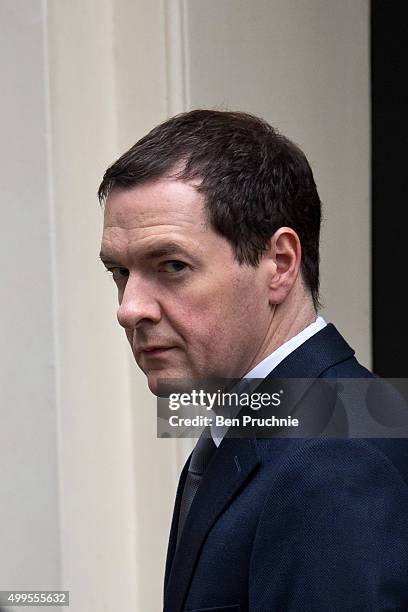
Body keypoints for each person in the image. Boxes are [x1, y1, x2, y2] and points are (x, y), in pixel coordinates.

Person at [98, 110, 408, 611]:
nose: (129, 308)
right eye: (119, 271)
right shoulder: (266, 417)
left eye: (172, 266)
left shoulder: (334, 464)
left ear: (280, 265)